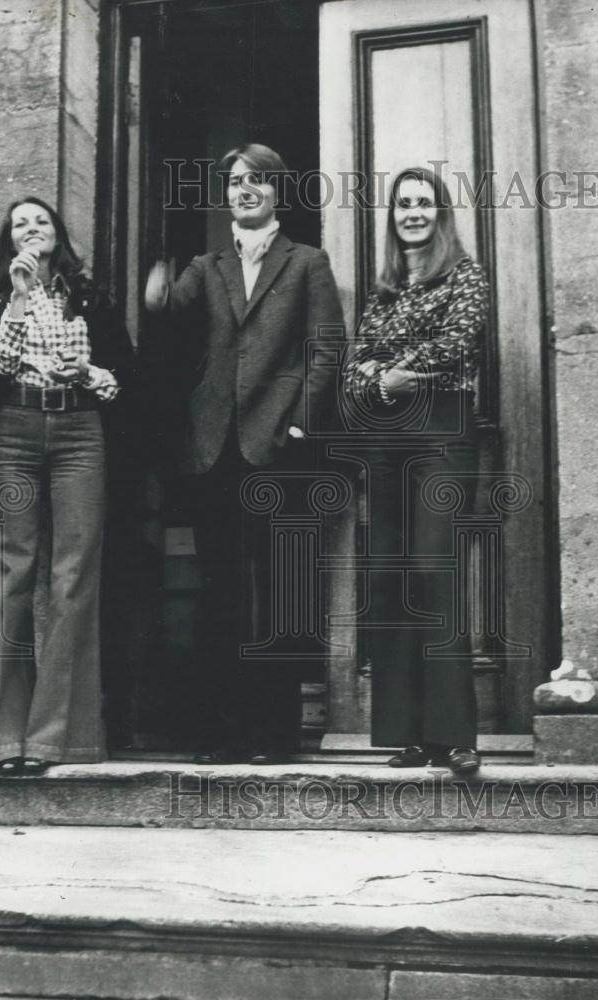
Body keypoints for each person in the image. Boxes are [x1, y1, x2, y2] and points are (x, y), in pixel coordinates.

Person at [143, 143, 343, 764]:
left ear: (276, 191)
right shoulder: (208, 265)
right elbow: (170, 319)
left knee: (278, 589)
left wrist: (303, 424)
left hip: (277, 445)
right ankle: (218, 735)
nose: (243, 190)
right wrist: (155, 285)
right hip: (212, 450)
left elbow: (327, 347)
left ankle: (273, 736)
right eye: (234, 182)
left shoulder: (307, 262)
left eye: (255, 181)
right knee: (219, 589)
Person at [0, 196, 136, 773]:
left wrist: (89, 373)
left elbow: (122, 381)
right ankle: (1, 740)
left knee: (73, 577)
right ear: (10, 241)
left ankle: (58, 739)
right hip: (14, 431)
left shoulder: (90, 298)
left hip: (80, 430)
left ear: (59, 233)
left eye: (42, 221)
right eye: (20, 224)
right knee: (16, 573)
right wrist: (21, 297)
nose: (32, 229)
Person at [342, 166, 490, 774]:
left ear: (440, 212)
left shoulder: (465, 275)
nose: (412, 213)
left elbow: (462, 341)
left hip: (443, 431)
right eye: (403, 204)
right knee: (394, 578)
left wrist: (390, 370)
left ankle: (457, 738)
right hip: (387, 438)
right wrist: (382, 378)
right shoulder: (383, 292)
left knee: (434, 571)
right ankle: (411, 735)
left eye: (423, 203)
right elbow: (354, 368)